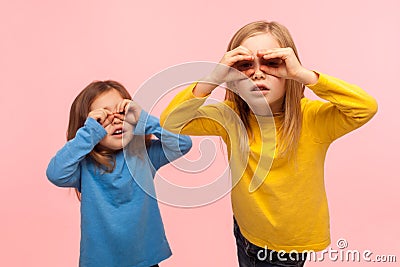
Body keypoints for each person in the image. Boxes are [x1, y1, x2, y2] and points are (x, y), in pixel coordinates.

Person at [160, 21, 377, 266]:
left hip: (285, 247)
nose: (258, 73)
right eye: (244, 65)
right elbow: (171, 123)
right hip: (245, 230)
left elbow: (365, 108)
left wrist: (303, 75)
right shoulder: (230, 118)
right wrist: (214, 77)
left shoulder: (313, 118)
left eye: (272, 63)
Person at [46, 80, 192, 267]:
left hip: (145, 259)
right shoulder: (84, 166)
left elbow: (183, 144)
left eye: (122, 112)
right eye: (103, 117)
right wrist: (91, 131)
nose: (115, 120)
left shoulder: (144, 155)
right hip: (100, 262)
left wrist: (144, 120)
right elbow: (55, 173)